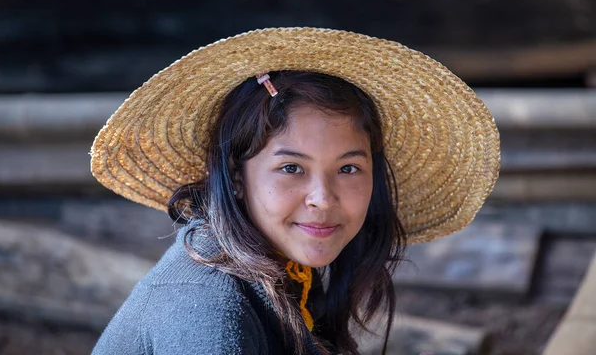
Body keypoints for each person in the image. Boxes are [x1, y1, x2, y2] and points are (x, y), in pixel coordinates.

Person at [89, 27, 500, 354]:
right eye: (291, 168)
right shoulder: (206, 309)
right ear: (236, 174)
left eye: (349, 168)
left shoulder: (291, 279)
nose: (322, 198)